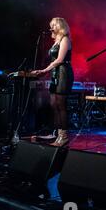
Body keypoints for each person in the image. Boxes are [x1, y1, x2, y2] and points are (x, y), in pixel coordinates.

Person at [31, 17, 74, 147]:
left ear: (60, 26)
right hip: (56, 73)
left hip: (63, 73)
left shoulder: (65, 39)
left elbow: (60, 59)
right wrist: (44, 71)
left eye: (54, 25)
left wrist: (44, 70)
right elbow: (53, 61)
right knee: (53, 103)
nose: (51, 27)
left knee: (60, 104)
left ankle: (64, 136)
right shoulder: (56, 41)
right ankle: (56, 132)